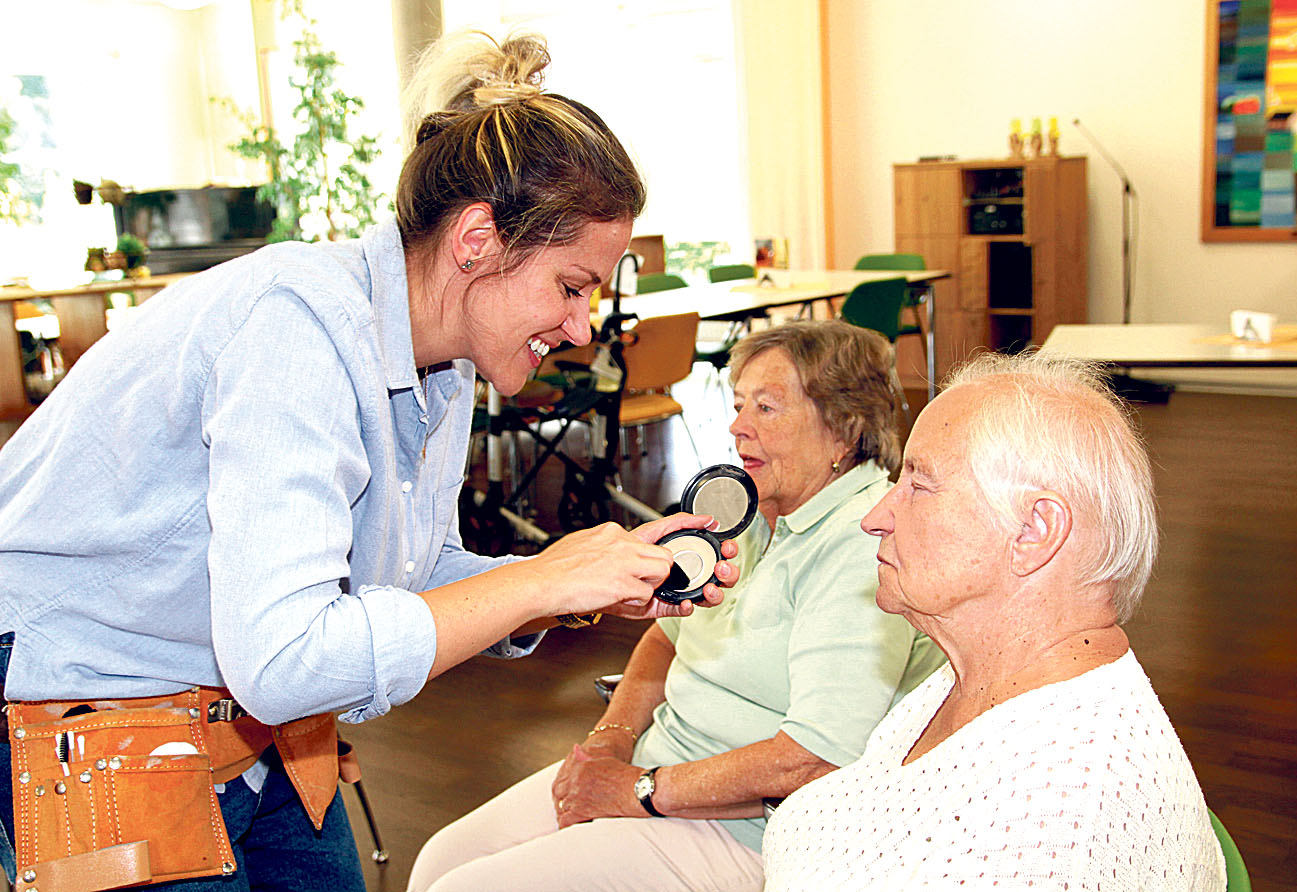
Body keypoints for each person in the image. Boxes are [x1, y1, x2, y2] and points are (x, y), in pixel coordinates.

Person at [0, 31, 735, 892]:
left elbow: (408, 571)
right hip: (95, 705)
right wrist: (540, 583)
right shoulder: (296, 328)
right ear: (476, 239)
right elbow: (285, 658)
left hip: (246, 712)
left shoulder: (443, 356)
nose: (580, 327)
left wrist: (574, 579)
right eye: (570, 287)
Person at [407, 320, 946, 892]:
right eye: (739, 404)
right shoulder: (756, 513)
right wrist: (612, 738)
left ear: (843, 429)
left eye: (766, 408)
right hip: (656, 766)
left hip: (745, 826)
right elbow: (665, 639)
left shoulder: (862, 544)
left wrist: (638, 790)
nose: (738, 427)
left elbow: (813, 759)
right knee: (441, 860)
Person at [762, 351, 1228, 891]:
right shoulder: (977, 676)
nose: (874, 518)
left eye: (919, 485)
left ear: (1034, 531)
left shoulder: (1052, 832)